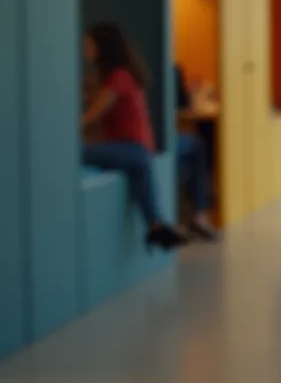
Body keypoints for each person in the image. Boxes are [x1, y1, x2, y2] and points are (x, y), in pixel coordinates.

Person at [82, 23, 186, 250]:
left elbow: (92, 116)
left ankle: (157, 226)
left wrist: (56, 133)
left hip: (129, 148)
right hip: (138, 151)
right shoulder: (118, 75)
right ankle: (155, 226)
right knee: (142, 175)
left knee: (75, 152)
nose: (84, 48)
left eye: (88, 44)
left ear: (103, 47)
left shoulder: (118, 77)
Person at [174, 64, 217, 240]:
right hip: (159, 140)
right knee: (197, 148)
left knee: (190, 155)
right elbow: (184, 103)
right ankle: (198, 214)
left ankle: (188, 217)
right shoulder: (172, 70)